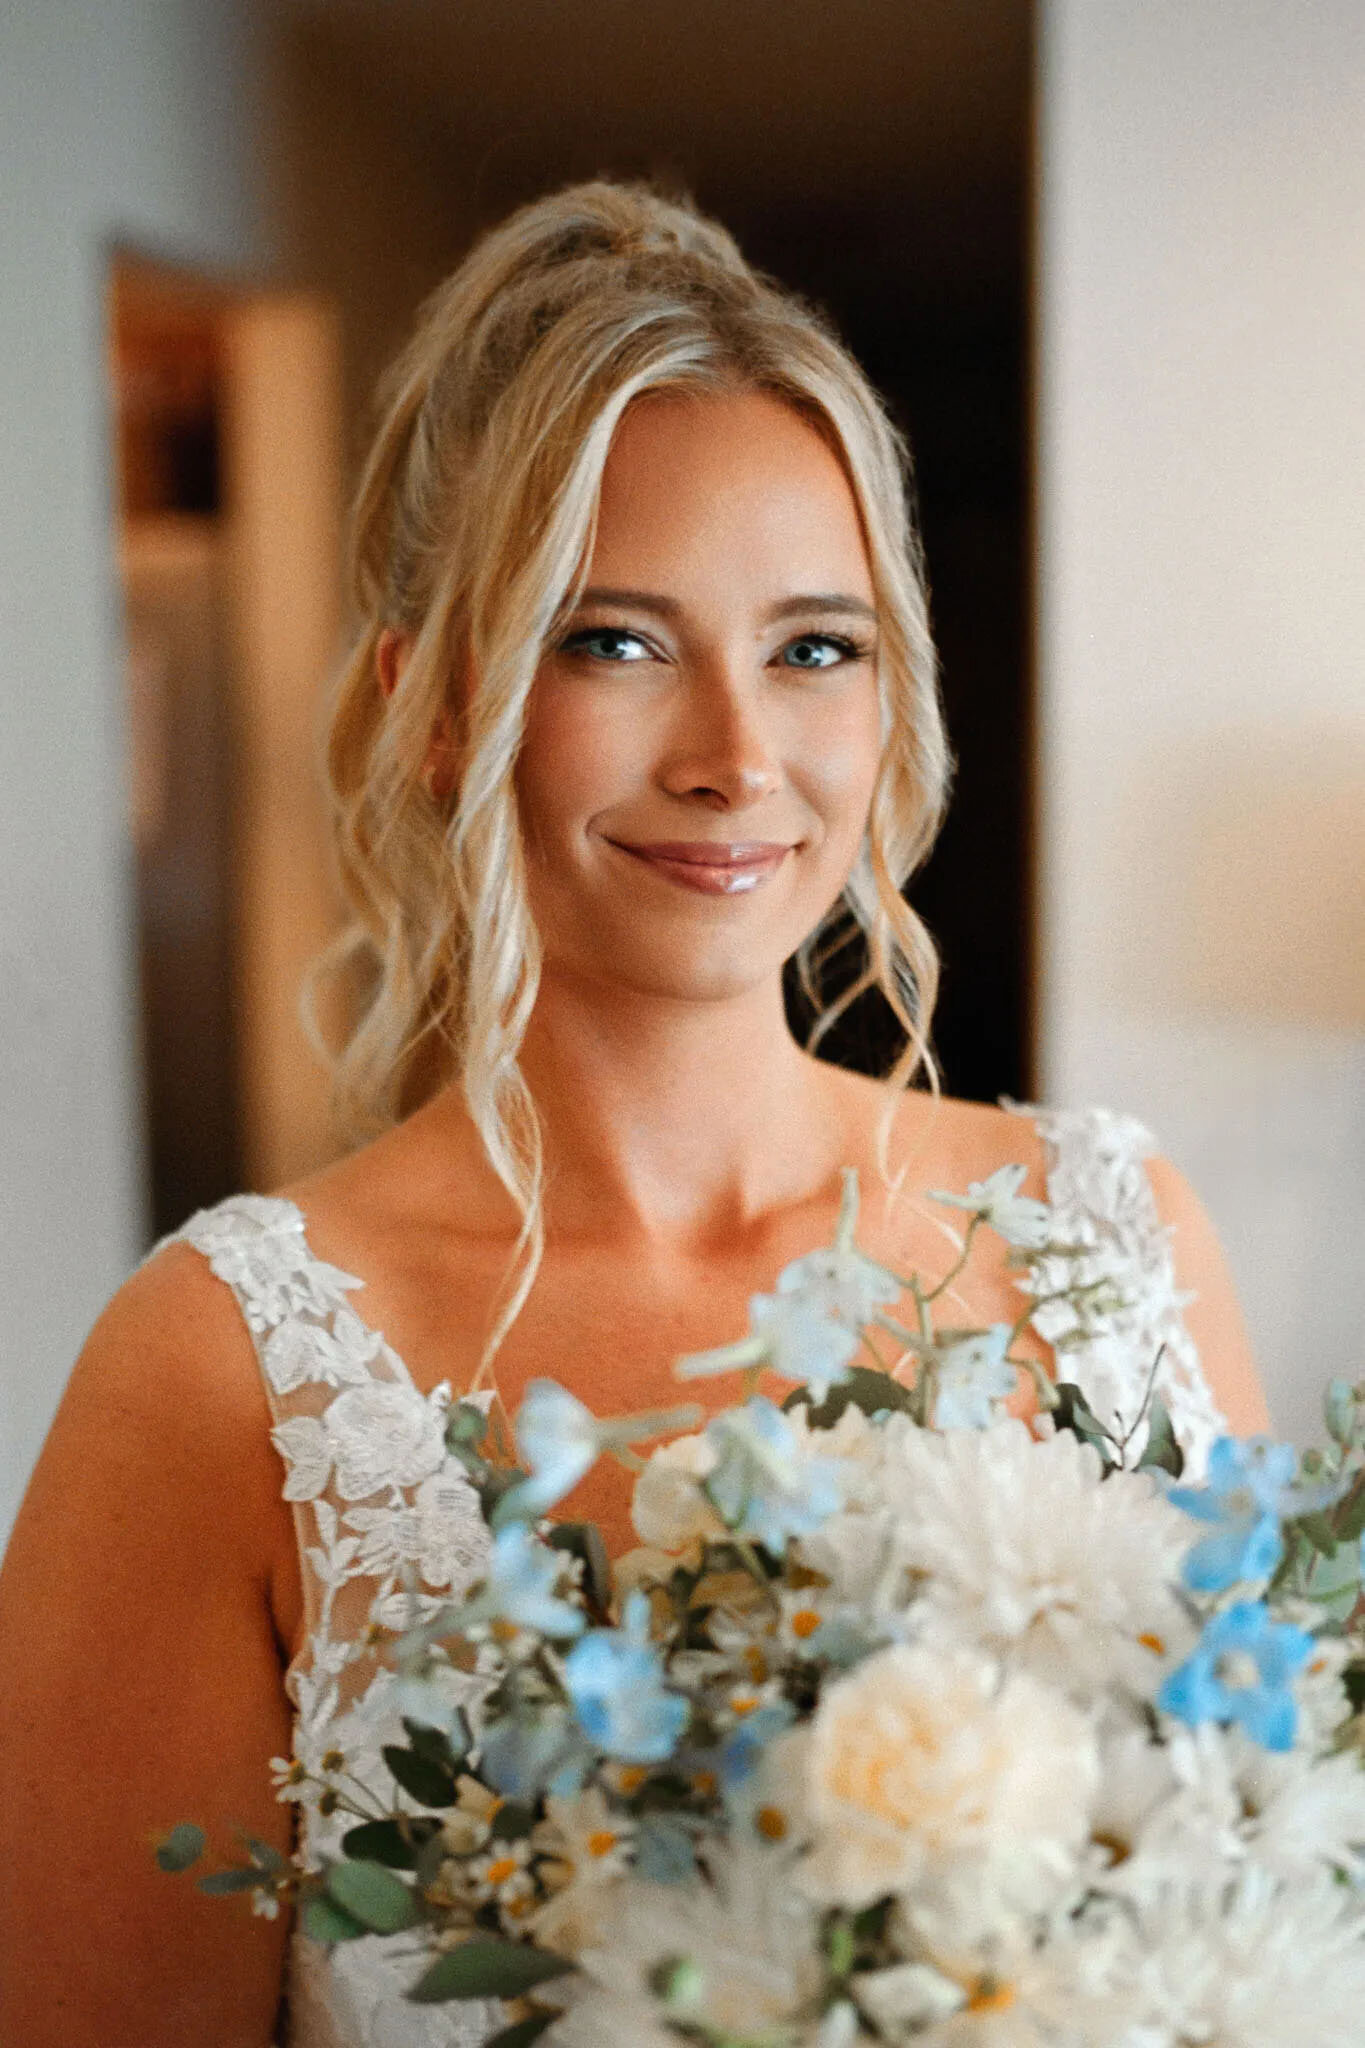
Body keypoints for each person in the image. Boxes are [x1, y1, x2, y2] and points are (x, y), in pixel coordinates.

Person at [0, 179, 1270, 2047]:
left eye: (812, 647)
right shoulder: (219, 1374)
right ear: (432, 704)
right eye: (614, 640)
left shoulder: (1113, 1239)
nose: (735, 757)